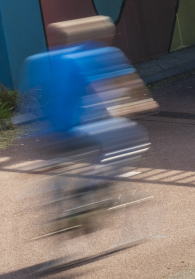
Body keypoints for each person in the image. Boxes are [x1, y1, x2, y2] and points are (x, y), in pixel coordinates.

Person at [21, 16, 157, 272]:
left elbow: (29, 100)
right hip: (79, 130)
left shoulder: (36, 61)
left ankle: (61, 209)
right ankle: (93, 188)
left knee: (59, 166)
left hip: (47, 135)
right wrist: (139, 104)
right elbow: (109, 90)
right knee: (133, 138)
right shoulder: (95, 54)